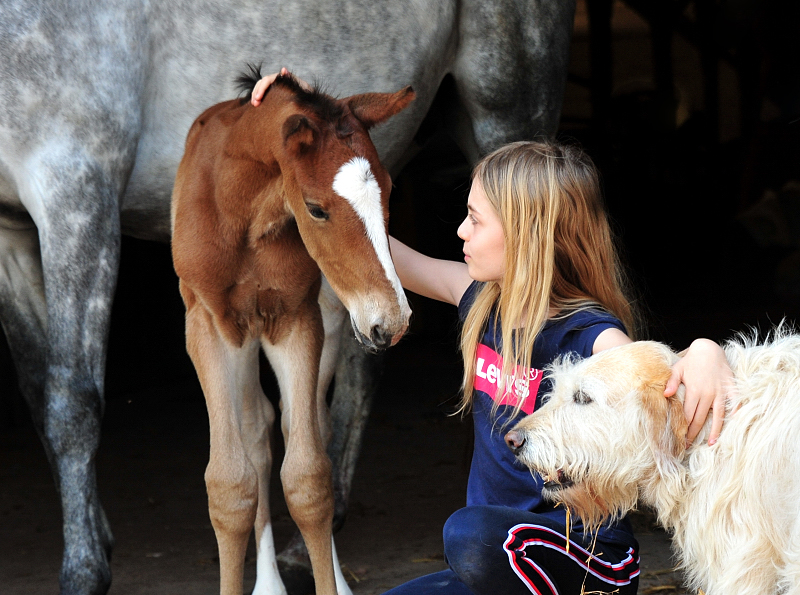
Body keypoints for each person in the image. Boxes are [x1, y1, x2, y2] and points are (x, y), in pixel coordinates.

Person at [251, 74, 733, 595]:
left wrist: (706, 351)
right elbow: (371, 244)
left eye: (475, 221)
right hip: (498, 558)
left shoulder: (593, 336)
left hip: (586, 561)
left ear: (527, 235)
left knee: (469, 535)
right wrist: (303, 116)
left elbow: (659, 378)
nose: (460, 231)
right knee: (464, 547)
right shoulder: (477, 300)